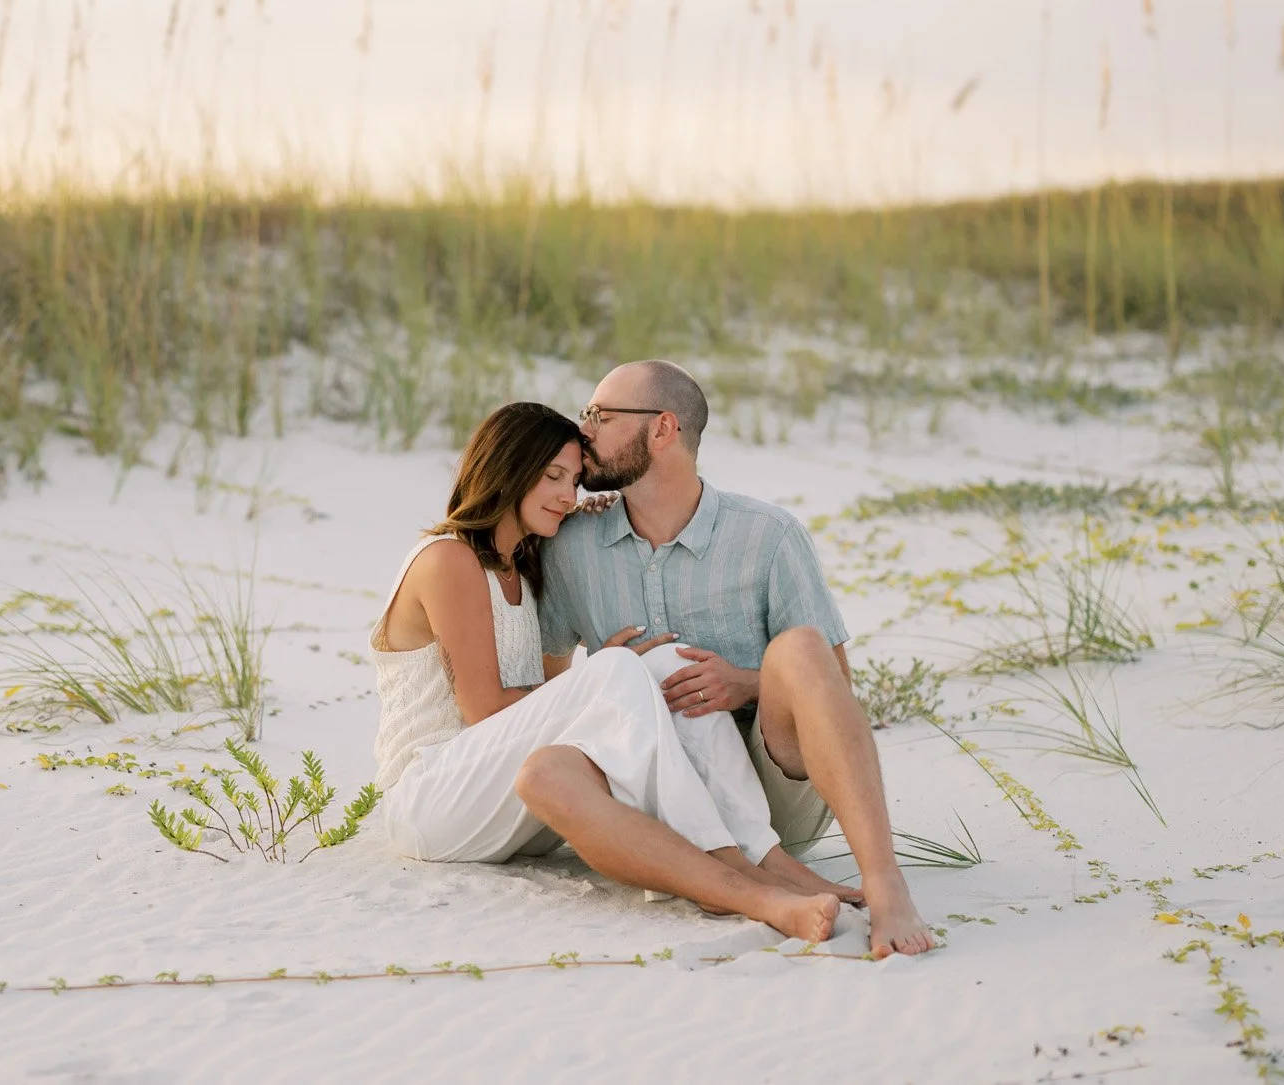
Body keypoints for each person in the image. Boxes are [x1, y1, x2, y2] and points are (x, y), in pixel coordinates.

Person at [370, 401, 842, 943]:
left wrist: (618, 679)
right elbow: (484, 712)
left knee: (666, 662)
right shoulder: (447, 561)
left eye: (575, 481)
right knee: (622, 668)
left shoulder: (523, 568)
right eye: (551, 477)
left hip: (508, 802)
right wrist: (606, 678)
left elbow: (539, 712)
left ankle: (765, 852)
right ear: (505, 469)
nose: (569, 496)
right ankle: (733, 865)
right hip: (434, 802)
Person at [538, 361, 936, 958]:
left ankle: (883, 881)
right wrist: (605, 678)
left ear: (662, 430)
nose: (583, 428)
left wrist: (744, 685)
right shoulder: (571, 544)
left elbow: (835, 688)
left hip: (775, 793)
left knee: (800, 648)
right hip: (652, 799)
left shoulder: (768, 536)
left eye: (602, 414)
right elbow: (548, 689)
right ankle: (748, 881)